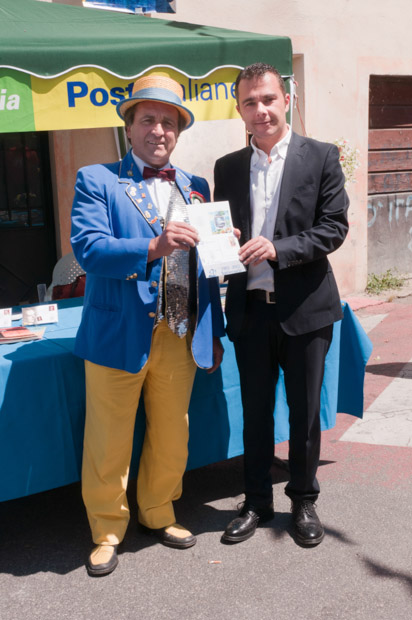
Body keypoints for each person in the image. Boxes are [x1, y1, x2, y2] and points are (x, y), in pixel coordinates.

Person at [71, 73, 225, 576]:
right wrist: (154, 246)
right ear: (130, 127)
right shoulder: (97, 179)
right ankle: (106, 529)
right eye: (149, 120)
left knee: (172, 432)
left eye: (169, 122)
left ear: (178, 132)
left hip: (180, 331)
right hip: (118, 331)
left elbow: (206, 268)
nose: (159, 130)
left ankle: (158, 511)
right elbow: (89, 249)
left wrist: (214, 329)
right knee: (108, 439)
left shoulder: (196, 186)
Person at [214, 63, 349, 546]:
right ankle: (256, 502)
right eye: (250, 102)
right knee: (254, 412)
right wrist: (221, 242)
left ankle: (304, 500)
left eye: (268, 99)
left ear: (286, 100)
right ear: (239, 110)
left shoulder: (321, 156)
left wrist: (278, 248)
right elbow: (223, 235)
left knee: (304, 413)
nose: (261, 110)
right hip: (250, 309)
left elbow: (334, 227)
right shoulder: (228, 167)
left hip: (305, 308)